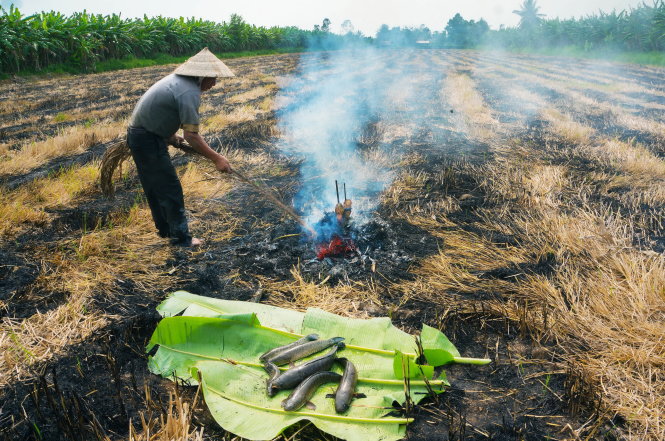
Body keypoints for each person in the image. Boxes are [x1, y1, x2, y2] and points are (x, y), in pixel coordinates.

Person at [127, 48, 233, 246]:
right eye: (213, 78)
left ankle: (166, 231)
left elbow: (160, 111)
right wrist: (217, 158)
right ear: (203, 76)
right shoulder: (189, 91)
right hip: (148, 140)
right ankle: (182, 240)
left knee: (155, 187)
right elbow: (191, 136)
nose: (214, 84)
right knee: (170, 189)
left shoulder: (178, 81)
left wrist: (169, 135)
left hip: (140, 135)